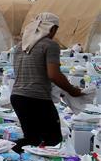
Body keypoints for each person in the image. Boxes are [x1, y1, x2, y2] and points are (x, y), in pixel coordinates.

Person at [10, 12, 83, 153]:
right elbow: (53, 74)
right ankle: (7, 152)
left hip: (18, 97)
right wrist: (72, 90)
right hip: (36, 98)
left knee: (32, 139)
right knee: (53, 140)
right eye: (56, 29)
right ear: (52, 28)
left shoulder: (20, 46)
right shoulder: (50, 45)